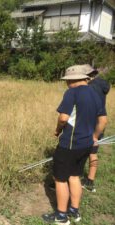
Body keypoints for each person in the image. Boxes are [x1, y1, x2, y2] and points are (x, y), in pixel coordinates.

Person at [42, 65, 107, 225]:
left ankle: (61, 216)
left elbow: (63, 118)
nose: (66, 84)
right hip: (86, 144)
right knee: (75, 176)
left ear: (72, 80)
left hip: (70, 144)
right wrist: (94, 136)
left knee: (60, 179)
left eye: (67, 81)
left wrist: (57, 130)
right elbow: (103, 120)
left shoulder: (72, 92)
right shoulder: (95, 92)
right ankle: (74, 211)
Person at [82, 64, 110, 192]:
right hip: (99, 124)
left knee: (80, 151)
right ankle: (90, 181)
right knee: (93, 152)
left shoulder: (90, 87)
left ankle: (71, 178)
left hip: (89, 124)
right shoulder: (101, 85)